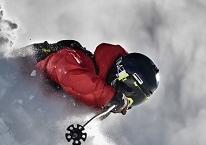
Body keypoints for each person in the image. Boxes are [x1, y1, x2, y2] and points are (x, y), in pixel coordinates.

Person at [21, 40, 159, 114]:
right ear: (121, 78)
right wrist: (110, 96)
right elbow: (69, 74)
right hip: (15, 80)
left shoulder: (95, 103)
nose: (125, 106)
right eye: (127, 99)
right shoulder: (79, 58)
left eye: (131, 104)